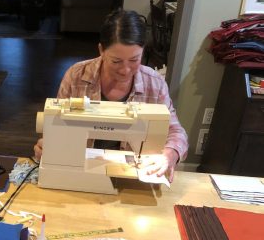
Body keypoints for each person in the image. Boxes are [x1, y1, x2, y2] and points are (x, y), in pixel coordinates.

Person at [34, 9, 188, 182]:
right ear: (101, 50)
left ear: (143, 51)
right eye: (116, 61)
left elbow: (175, 131)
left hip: (132, 179)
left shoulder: (155, 84)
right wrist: (47, 146)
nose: (125, 70)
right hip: (79, 174)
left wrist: (170, 153)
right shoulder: (77, 75)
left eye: (134, 60)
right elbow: (57, 124)